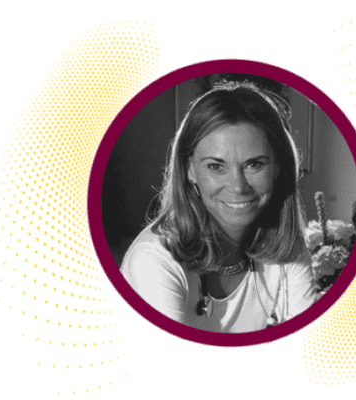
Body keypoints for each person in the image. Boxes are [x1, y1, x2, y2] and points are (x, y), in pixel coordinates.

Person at [120, 79, 317, 333]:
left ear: (278, 167)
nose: (238, 187)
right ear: (190, 170)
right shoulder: (153, 258)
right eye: (216, 166)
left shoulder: (286, 248)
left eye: (254, 164)